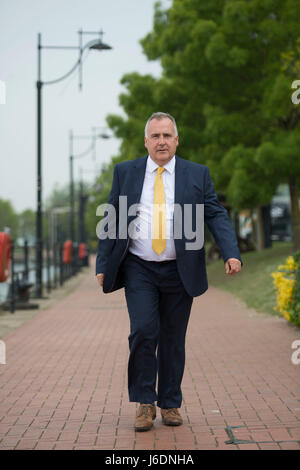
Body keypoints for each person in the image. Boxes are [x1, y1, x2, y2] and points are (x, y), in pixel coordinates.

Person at [96, 112, 242, 431]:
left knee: (174, 339)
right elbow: (111, 216)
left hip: (180, 269)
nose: (161, 141)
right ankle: (145, 403)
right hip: (139, 268)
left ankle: (171, 403)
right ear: (146, 141)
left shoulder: (196, 174)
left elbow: (216, 214)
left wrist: (231, 251)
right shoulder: (126, 172)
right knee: (144, 331)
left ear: (177, 140)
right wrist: (103, 263)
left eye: (167, 136)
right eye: (155, 136)